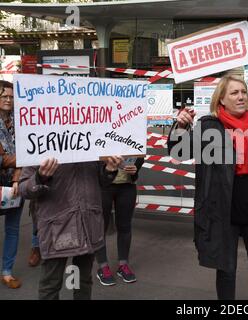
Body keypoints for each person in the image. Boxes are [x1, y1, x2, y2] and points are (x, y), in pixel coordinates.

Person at [168, 74, 248, 300]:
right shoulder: (208, 126)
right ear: (221, 100)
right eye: (234, 93)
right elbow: (179, 152)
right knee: (226, 269)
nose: (241, 97)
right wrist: (180, 127)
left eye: (243, 92)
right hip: (221, 209)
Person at [19, 156, 122, 300]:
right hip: (56, 229)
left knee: (82, 281)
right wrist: (40, 177)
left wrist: (109, 170)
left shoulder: (92, 139)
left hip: (88, 224)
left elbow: (102, 181)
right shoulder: (42, 141)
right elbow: (23, 189)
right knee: (51, 284)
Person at [95, 156, 144, 286]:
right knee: (100, 227)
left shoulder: (133, 136)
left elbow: (140, 155)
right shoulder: (100, 136)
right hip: (103, 186)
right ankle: (103, 266)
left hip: (127, 186)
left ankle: (123, 264)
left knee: (125, 226)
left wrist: (136, 169)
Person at [0, 80, 23, 289]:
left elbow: (27, 149)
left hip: (15, 184)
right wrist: (21, 158)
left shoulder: (21, 121)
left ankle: (7, 272)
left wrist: (17, 177)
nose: (8, 99)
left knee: (13, 229)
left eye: (10, 96)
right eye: (4, 96)